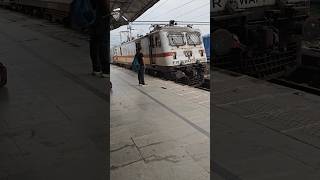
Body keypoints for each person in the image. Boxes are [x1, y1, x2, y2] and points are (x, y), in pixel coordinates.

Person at [89, 0, 109, 78]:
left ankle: (96, 69)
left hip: (93, 22)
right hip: (102, 22)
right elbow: (107, 9)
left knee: (94, 45)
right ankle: (106, 70)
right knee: (103, 45)